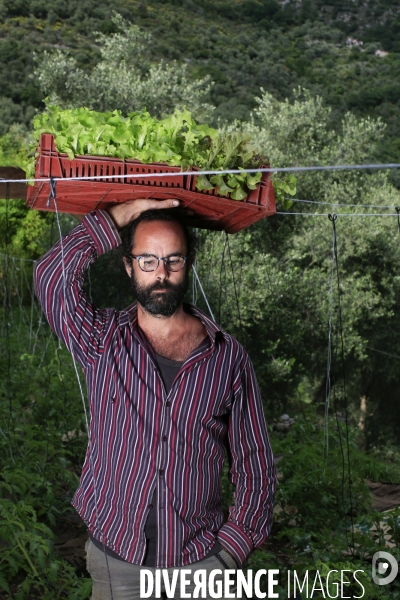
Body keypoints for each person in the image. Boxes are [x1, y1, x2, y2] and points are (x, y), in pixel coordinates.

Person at [34, 198, 277, 600]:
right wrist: (120, 215)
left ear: (188, 265)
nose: (160, 273)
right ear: (128, 266)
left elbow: (256, 465)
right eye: (147, 260)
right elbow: (50, 277)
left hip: (200, 564)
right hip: (117, 561)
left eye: (173, 260)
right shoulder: (101, 341)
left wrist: (231, 551)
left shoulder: (228, 357)